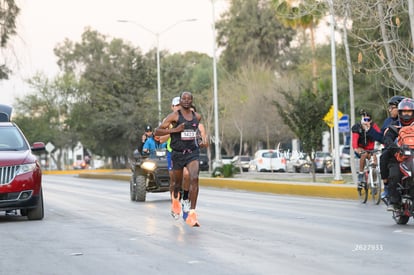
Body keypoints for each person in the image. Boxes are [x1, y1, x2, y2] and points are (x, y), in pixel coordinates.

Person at [154, 91, 202, 227]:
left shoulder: (197, 117)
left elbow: (195, 131)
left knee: (194, 177)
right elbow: (157, 131)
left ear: (192, 101)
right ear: (180, 101)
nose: (186, 101)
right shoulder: (174, 116)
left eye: (189, 99)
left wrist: (199, 138)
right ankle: (176, 201)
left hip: (192, 152)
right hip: (177, 153)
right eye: (183, 99)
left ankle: (192, 212)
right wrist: (175, 130)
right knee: (176, 184)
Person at [366, 95, 405, 198]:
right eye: (390, 107)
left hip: (409, 151)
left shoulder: (409, 120)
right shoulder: (388, 121)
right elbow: (381, 137)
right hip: (393, 151)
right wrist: (369, 129)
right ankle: (387, 186)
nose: (390, 110)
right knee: (384, 157)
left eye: (392, 107)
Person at [382, 98, 414, 211]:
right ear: (400, 113)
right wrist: (395, 148)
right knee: (394, 175)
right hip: (398, 156)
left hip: (412, 156)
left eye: (409, 112)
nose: (406, 114)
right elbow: (387, 139)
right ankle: (394, 201)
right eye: (404, 112)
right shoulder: (394, 126)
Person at [181, 104, 208, 221]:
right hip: (182, 154)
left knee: (194, 179)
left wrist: (203, 142)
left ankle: (192, 209)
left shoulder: (200, 126)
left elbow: (205, 142)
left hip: (194, 155)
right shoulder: (181, 125)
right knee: (186, 175)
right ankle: (185, 198)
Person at [351, 110, 381, 186]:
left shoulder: (373, 126)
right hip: (360, 148)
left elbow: (380, 135)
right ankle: (361, 174)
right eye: (365, 119)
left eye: (368, 120)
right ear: (362, 119)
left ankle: (374, 181)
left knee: (374, 162)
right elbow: (354, 140)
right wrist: (356, 148)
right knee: (364, 154)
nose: (366, 122)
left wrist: (370, 129)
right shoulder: (357, 127)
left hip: (371, 149)